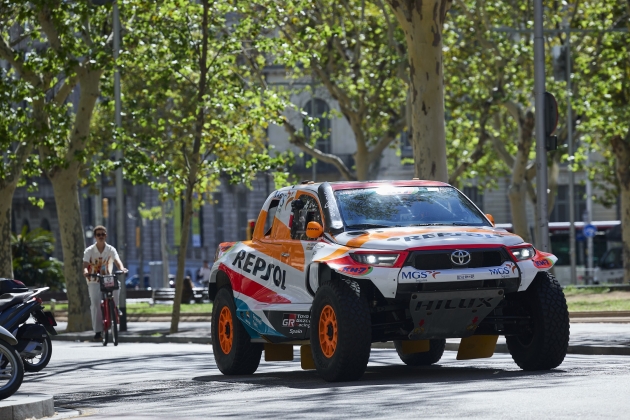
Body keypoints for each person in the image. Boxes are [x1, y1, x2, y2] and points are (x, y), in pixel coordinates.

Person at [83, 225, 128, 341]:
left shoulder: (111, 249)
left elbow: (117, 261)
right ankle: (98, 331)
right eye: (98, 235)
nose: (101, 237)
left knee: (117, 285)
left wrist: (122, 268)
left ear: (106, 235)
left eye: (103, 234)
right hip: (94, 280)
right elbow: (85, 265)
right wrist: (86, 272)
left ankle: (115, 307)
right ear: (95, 237)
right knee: (96, 305)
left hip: (107, 278)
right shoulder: (89, 251)